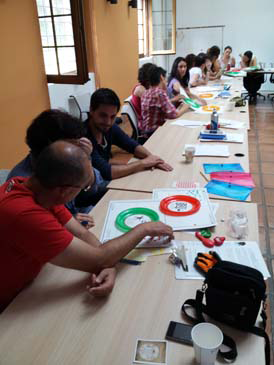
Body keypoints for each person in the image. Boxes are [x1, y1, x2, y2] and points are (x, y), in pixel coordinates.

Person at [0, 141, 174, 311]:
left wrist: (106, 264)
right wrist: (145, 229)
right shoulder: (25, 214)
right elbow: (100, 257)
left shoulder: (38, 187)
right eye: (84, 187)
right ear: (64, 191)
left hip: (30, 286)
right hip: (10, 305)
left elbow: (82, 234)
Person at [7, 109, 99, 228]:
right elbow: (38, 227)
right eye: (72, 146)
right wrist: (65, 224)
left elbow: (91, 191)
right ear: (51, 149)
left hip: (78, 216)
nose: (77, 151)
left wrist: (86, 160)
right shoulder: (27, 182)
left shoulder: (65, 164)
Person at [84, 88, 173, 185]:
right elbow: (107, 172)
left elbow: (131, 145)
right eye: (103, 115)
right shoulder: (83, 137)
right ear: (91, 110)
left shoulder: (110, 128)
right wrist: (142, 163)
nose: (108, 122)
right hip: (90, 189)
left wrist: (152, 158)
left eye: (113, 117)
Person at [139, 66, 189, 141]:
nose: (166, 81)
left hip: (146, 131)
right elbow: (174, 115)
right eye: (165, 79)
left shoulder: (147, 92)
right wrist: (186, 106)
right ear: (161, 77)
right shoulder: (160, 93)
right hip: (154, 133)